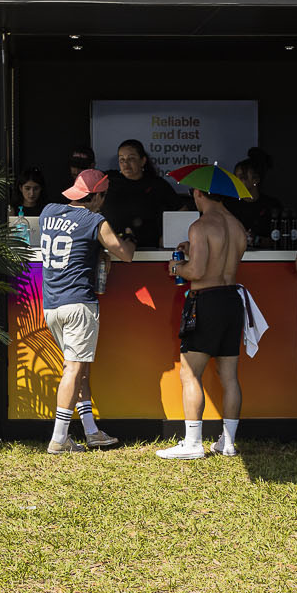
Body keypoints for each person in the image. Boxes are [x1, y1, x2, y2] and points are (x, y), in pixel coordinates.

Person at [38, 169, 135, 453]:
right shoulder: (94, 220)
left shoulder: (48, 211)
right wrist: (129, 236)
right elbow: (125, 254)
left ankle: (92, 431)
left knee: (80, 368)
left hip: (52, 305)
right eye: (102, 197)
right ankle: (59, 438)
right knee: (74, 368)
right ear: (96, 196)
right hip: (79, 304)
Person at [158, 184, 250, 459]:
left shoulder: (200, 226)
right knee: (229, 376)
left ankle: (193, 442)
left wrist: (177, 267)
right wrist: (195, 250)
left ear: (198, 194)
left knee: (189, 372)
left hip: (205, 302)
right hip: (232, 300)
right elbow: (224, 261)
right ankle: (229, 442)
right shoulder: (237, 226)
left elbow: (196, 271)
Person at [101, 140, 183, 248]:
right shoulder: (108, 180)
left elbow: (182, 210)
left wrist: (169, 236)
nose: (126, 164)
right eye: (122, 159)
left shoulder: (156, 184)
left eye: (131, 158)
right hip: (112, 249)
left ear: (143, 161)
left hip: (148, 250)